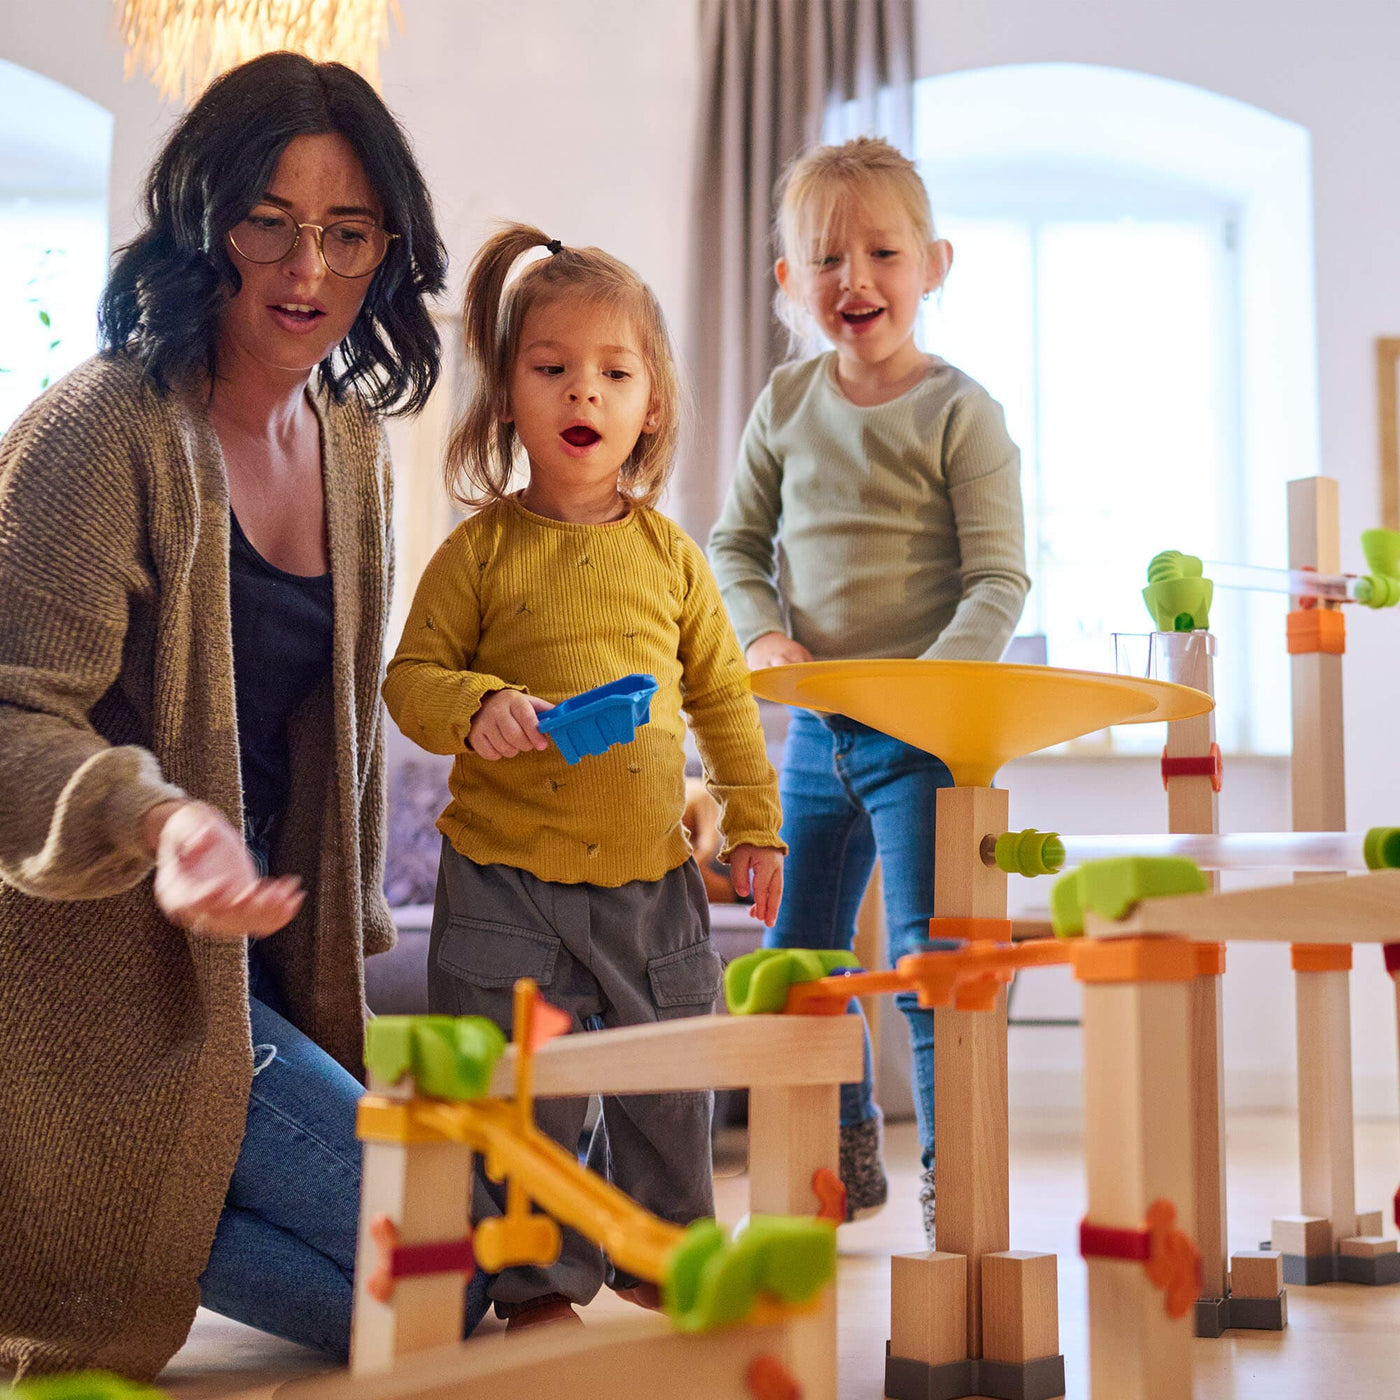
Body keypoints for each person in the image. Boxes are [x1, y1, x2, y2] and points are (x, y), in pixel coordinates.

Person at [0, 52, 451, 1380]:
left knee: (451, 1284)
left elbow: (344, 734)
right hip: (103, 991)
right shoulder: (101, 428)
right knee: (439, 1270)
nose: (306, 268)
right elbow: (11, 712)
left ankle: (71, 1216)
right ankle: (54, 1197)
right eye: (271, 220)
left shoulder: (355, 447)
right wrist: (162, 819)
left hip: (252, 990)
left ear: (384, 252)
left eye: (347, 232)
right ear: (207, 220)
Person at [383, 223, 785, 1330]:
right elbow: (408, 680)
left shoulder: (673, 560)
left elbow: (724, 704)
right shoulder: (480, 551)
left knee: (669, 1081)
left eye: (613, 373)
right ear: (508, 394)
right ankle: (532, 1280)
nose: (583, 393)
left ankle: (666, 1254)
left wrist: (753, 824)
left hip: (652, 884)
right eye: (550, 367)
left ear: (650, 403)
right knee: (524, 1098)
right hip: (504, 887)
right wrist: (481, 709)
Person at [707, 137, 1030, 1243]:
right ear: (788, 284)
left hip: (925, 740)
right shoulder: (784, 402)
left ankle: (953, 1171)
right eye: (826, 256)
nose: (856, 277)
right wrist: (759, 629)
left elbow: (998, 578)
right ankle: (834, 1150)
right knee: (796, 960)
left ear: (933, 263)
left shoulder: (961, 414)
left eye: (882, 252)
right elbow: (734, 543)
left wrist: (932, 693)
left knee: (931, 962)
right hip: (814, 733)